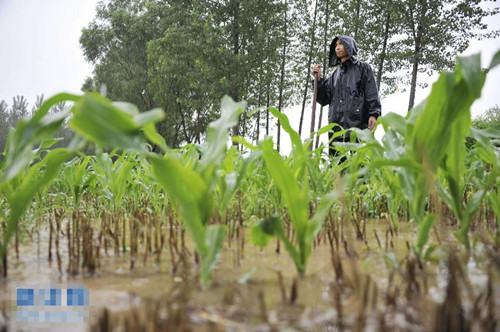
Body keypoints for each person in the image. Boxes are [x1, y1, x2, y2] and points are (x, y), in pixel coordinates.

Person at [312, 35, 381, 158]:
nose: (337, 48)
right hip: (336, 128)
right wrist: (318, 80)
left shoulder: (363, 68)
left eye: (340, 44)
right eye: (335, 45)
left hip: (358, 125)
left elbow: (371, 92)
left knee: (360, 165)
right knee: (338, 168)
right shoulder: (334, 75)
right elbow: (324, 99)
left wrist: (374, 113)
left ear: (349, 46)